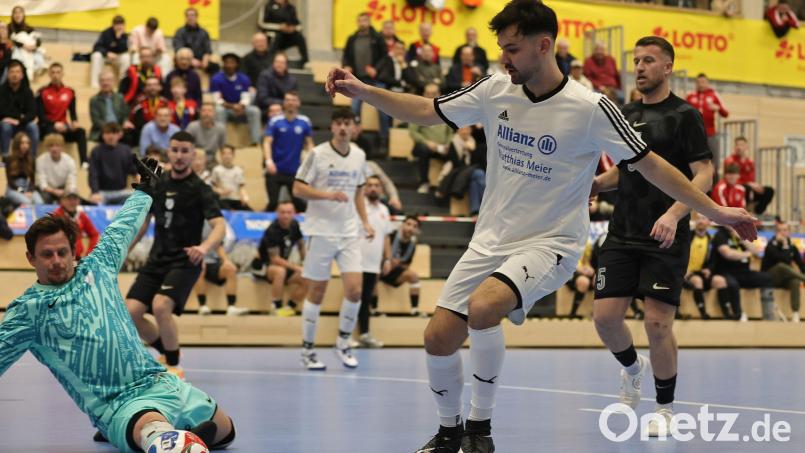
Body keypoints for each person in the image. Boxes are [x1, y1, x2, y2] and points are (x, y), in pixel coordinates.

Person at [325, 1, 755, 450]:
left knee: (485, 307)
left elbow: (653, 167)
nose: (503, 58)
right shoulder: (495, 88)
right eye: (500, 48)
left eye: (512, 49)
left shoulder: (592, 108)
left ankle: (479, 431)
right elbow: (427, 109)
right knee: (437, 338)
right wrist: (364, 90)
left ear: (543, 45)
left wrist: (718, 211)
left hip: (552, 243)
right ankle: (448, 433)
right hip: (490, 240)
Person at [0, 156, 236, 452]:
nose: (57, 261)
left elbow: (121, 228)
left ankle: (154, 430)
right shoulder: (27, 310)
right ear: (31, 259)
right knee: (160, 435)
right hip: (119, 401)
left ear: (74, 251)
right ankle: (136, 429)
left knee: (226, 434)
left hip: (162, 381)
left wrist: (145, 192)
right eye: (47, 255)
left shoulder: (98, 267)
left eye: (62, 252)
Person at [593, 35, 719, 436]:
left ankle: (664, 409)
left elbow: (704, 172)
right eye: (636, 60)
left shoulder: (685, 115)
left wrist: (675, 212)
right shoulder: (624, 113)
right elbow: (626, 170)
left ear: (667, 67)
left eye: (649, 60)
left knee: (657, 325)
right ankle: (633, 368)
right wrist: (593, 186)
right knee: (606, 319)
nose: (641, 67)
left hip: (666, 234)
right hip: (622, 232)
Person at [126, 131, 226, 379]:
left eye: (185, 151)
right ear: (168, 152)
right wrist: (123, 250)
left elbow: (220, 226)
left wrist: (204, 248)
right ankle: (168, 351)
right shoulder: (157, 183)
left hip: (185, 261)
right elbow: (144, 222)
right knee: (130, 313)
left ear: (193, 154)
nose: (179, 156)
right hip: (157, 259)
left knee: (161, 306)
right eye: (175, 150)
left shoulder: (201, 189)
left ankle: (173, 366)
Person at [292, 107, 374, 371]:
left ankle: (343, 342)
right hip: (321, 230)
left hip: (349, 231)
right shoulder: (317, 154)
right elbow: (298, 188)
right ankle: (307, 349)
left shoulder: (360, 155)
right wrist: (328, 195)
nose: (342, 127)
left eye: (347, 123)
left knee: (355, 289)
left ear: (353, 127)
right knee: (317, 291)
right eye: (338, 122)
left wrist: (365, 222)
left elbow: (359, 192)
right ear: (332, 127)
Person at [710, 225, 776, 321]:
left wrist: (741, 238)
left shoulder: (742, 234)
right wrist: (747, 254)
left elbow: (756, 251)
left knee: (767, 278)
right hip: (726, 271)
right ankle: (738, 315)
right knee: (733, 284)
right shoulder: (720, 235)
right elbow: (728, 254)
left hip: (744, 272)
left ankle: (769, 316)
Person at [255, 200, 308, 316]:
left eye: (289, 212)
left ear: (294, 213)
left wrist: (306, 262)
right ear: (277, 213)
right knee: (280, 271)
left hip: (283, 264)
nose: (286, 215)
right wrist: (297, 267)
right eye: (282, 212)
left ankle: (289, 307)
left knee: (308, 276)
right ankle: (276, 306)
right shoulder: (272, 230)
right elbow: (274, 259)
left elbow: (301, 244)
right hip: (263, 266)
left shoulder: (294, 225)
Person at [357, 175, 393, 346]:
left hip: (373, 264)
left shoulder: (384, 210)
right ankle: (345, 336)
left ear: (381, 189)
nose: (373, 188)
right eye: (369, 185)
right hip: (356, 262)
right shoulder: (358, 207)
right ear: (364, 189)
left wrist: (387, 259)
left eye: (376, 185)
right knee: (353, 298)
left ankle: (364, 334)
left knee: (366, 299)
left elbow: (385, 237)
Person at [263, 91, 312, 212]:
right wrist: (269, 161)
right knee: (273, 203)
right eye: (288, 100)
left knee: (300, 205)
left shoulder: (305, 122)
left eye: (294, 100)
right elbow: (267, 142)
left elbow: (309, 144)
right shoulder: (275, 121)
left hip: (295, 172)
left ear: (298, 103)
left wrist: (310, 162)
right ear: (284, 103)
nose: (291, 103)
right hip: (276, 170)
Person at [37, 63, 89, 166]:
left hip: (64, 127)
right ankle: (50, 162)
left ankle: (84, 163)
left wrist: (74, 123)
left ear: (62, 74)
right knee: (50, 132)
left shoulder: (70, 92)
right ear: (49, 74)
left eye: (58, 72)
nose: (55, 75)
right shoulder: (42, 92)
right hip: (47, 127)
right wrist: (54, 124)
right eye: (53, 72)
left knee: (81, 132)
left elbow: (73, 113)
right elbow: (41, 116)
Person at [194, 220, 249, 316]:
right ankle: (202, 306)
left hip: (213, 261)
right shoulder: (186, 221)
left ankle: (231, 307)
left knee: (230, 269)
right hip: (193, 260)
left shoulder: (210, 223)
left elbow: (217, 245)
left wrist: (226, 260)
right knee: (199, 268)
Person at [342, 13, 387, 120]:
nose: (362, 23)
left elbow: (385, 57)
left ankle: (384, 136)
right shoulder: (352, 39)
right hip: (358, 79)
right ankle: (355, 134)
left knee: (384, 109)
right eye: (360, 21)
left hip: (376, 79)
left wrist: (376, 69)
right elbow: (346, 55)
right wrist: (347, 66)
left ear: (369, 22)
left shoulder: (378, 38)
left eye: (365, 20)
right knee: (354, 108)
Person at [409, 83, 453, 193]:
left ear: (439, 94)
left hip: (442, 148)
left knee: (456, 153)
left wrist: (448, 144)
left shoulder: (446, 111)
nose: (430, 96)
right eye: (428, 94)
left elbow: (450, 132)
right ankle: (424, 182)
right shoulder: (417, 111)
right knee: (423, 150)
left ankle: (444, 187)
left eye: (433, 94)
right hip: (424, 146)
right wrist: (427, 142)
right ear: (423, 94)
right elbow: (413, 132)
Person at [211, 53, 262, 145]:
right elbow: (217, 100)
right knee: (218, 110)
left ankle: (255, 142)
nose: (229, 65)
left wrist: (241, 106)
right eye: (227, 63)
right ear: (223, 64)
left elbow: (246, 97)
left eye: (232, 63)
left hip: (241, 108)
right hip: (226, 108)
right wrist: (232, 106)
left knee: (255, 111)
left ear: (237, 64)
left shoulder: (244, 79)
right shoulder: (216, 79)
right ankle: (222, 143)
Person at [682, 215, 727, 319]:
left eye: (703, 218)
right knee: (697, 281)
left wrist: (709, 269)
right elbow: (680, 254)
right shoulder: (687, 236)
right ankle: (703, 313)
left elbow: (714, 258)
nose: (700, 221)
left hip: (702, 272)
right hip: (687, 272)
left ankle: (727, 314)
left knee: (720, 280)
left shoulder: (711, 239)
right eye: (698, 219)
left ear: (709, 223)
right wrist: (684, 269)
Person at [762, 221, 805, 322]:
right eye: (779, 230)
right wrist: (785, 245)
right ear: (775, 232)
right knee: (781, 266)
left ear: (789, 232)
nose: (782, 233)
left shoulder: (792, 248)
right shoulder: (770, 245)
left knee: (795, 281)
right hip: (769, 278)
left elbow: (801, 265)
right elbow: (783, 260)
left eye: (785, 230)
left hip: (784, 280)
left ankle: (795, 313)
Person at [381, 215, 423, 316]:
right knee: (374, 272)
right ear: (403, 224)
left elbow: (406, 265)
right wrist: (388, 260)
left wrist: (397, 264)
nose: (411, 228)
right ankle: (374, 310)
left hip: (394, 272)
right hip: (381, 267)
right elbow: (379, 253)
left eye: (414, 226)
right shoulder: (391, 235)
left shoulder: (412, 244)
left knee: (413, 276)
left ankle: (414, 310)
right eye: (408, 224)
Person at [723, 136, 774, 215]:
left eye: (741, 145)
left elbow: (751, 178)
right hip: (736, 186)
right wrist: (749, 184)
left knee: (769, 190)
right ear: (734, 147)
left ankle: (758, 212)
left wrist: (756, 186)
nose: (739, 147)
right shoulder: (730, 160)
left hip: (748, 187)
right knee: (747, 188)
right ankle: (747, 211)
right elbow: (731, 179)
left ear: (746, 147)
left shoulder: (750, 162)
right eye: (737, 145)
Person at [685, 73, 728, 168]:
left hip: (710, 134)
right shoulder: (690, 96)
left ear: (708, 83)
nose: (701, 84)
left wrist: (718, 108)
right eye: (698, 82)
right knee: (691, 161)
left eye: (703, 82)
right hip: (693, 135)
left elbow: (726, 113)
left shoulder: (714, 95)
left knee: (713, 161)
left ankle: (714, 182)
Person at [89, 122, 137, 205]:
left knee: (138, 200)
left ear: (119, 134)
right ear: (103, 135)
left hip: (122, 192)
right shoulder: (96, 151)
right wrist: (95, 192)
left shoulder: (126, 150)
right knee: (95, 204)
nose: (110, 136)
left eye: (114, 133)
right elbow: (93, 173)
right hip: (102, 193)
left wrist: (143, 187)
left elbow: (134, 171)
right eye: (107, 133)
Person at [0, 59, 38, 155]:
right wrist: (19, 116)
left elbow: (32, 113)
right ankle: (5, 158)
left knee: (33, 127)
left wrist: (19, 120)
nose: (14, 75)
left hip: (23, 124)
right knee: (5, 126)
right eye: (12, 72)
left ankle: (32, 158)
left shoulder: (28, 91)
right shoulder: (1, 91)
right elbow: (1, 111)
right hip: (6, 125)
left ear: (22, 75)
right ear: (7, 75)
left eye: (17, 72)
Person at [90, 70, 135, 144]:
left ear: (113, 82)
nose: (105, 83)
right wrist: (113, 130)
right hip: (102, 130)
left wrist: (125, 121)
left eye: (108, 80)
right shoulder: (94, 100)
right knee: (107, 137)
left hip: (120, 128)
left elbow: (125, 114)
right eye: (102, 80)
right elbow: (96, 121)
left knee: (131, 134)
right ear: (99, 83)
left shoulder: (120, 97)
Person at [53, 192, 100, 259]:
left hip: (77, 258)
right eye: (69, 199)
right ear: (62, 201)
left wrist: (89, 253)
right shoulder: (56, 215)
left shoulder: (81, 215)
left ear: (79, 201)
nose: (72, 202)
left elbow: (95, 234)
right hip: (60, 257)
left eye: (74, 199)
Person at [172, 7, 218, 75]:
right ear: (185, 17)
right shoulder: (180, 32)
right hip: (185, 59)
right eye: (188, 15)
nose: (190, 18)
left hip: (201, 60)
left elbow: (207, 49)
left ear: (196, 17)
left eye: (192, 15)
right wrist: (191, 60)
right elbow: (178, 48)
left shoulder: (204, 32)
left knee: (215, 67)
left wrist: (205, 60)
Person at [263, 0, 309, 65]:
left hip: (288, 36)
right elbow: (263, 23)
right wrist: (279, 27)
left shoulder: (291, 7)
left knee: (300, 37)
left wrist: (293, 28)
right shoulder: (269, 6)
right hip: (274, 35)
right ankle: (269, 61)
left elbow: (298, 24)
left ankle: (305, 60)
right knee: (278, 36)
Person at [36, 134, 77, 205]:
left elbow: (72, 182)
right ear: (47, 147)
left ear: (62, 147)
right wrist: (54, 191)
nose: (54, 148)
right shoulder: (40, 160)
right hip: (47, 190)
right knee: (44, 200)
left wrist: (66, 192)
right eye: (51, 145)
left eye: (57, 145)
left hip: (63, 189)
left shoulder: (70, 161)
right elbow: (42, 184)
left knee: (72, 199)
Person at [90, 15, 130, 89]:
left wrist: (119, 38)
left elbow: (124, 49)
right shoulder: (106, 33)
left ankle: (123, 85)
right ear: (113, 25)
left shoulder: (124, 36)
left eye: (121, 25)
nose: (119, 27)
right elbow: (96, 47)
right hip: (105, 57)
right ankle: (95, 84)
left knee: (126, 57)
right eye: (117, 25)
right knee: (96, 55)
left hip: (117, 58)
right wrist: (107, 53)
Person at [8, 6, 46, 80]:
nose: (18, 15)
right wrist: (23, 46)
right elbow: (9, 40)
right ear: (12, 15)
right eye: (15, 13)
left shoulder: (29, 28)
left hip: (30, 50)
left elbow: (38, 40)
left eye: (20, 13)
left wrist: (34, 46)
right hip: (17, 50)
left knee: (38, 57)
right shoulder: (9, 27)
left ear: (23, 15)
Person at [3, 132, 41, 205]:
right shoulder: (9, 159)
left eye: (27, 143)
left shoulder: (31, 159)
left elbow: (32, 180)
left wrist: (30, 191)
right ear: (17, 144)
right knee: (27, 202)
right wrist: (22, 192)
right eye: (22, 143)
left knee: (40, 202)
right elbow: (10, 181)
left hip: (26, 187)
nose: (25, 146)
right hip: (13, 188)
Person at [211, 144, 251, 210]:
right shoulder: (216, 170)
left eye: (229, 153)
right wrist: (220, 191)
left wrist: (244, 196)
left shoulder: (238, 170)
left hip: (236, 199)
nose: (227, 156)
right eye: (224, 153)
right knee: (228, 211)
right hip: (223, 199)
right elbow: (212, 186)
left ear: (233, 155)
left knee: (250, 212)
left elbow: (241, 187)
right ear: (221, 156)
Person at [565, 240, 594, 318]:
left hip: (584, 272)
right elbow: (563, 261)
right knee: (584, 282)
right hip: (570, 273)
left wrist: (590, 269)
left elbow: (588, 261)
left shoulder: (587, 243)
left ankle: (597, 312)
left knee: (598, 279)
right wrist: (578, 268)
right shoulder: (568, 243)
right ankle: (572, 313)